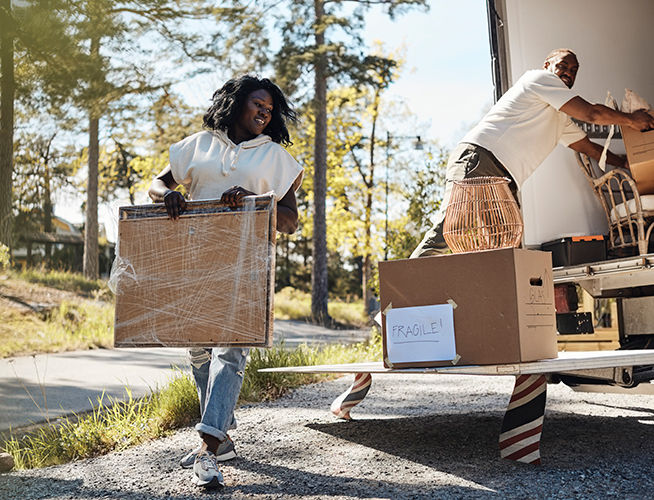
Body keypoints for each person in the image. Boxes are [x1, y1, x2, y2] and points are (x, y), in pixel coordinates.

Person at [148, 75, 303, 489]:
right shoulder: (198, 145)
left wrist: (255, 203)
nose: (265, 113)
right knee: (200, 354)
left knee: (231, 355)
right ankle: (222, 436)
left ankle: (207, 448)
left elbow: (290, 220)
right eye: (258, 104)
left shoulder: (276, 158)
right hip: (193, 263)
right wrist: (166, 195)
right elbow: (156, 182)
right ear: (236, 105)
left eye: (270, 109)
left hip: (246, 266)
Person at [411, 48, 654, 258]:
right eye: (563, 65)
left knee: (507, 246)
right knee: (450, 228)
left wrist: (622, 162)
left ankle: (499, 307)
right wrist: (632, 120)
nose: (569, 72)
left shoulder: (560, 117)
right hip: (480, 159)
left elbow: (588, 147)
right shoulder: (538, 79)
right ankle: (400, 301)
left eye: (574, 69)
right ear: (547, 66)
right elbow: (591, 114)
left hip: (504, 179)